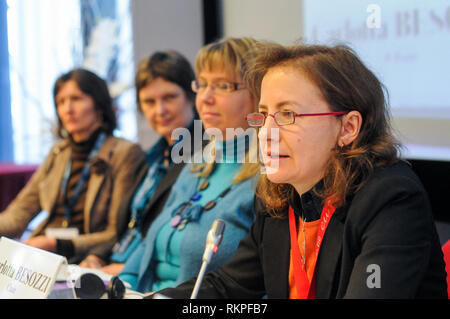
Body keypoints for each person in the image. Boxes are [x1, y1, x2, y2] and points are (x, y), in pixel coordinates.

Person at [153, 43, 448, 298]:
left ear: (348, 128)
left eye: (287, 115)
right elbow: (229, 286)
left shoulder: (391, 200)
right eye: (265, 114)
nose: (266, 132)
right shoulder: (279, 199)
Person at [118, 37, 261, 293]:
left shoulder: (269, 181)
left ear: (257, 95)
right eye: (203, 84)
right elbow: (149, 240)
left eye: (222, 86)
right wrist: (121, 286)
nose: (205, 97)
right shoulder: (196, 165)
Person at [0, 69, 145, 263]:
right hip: (44, 255)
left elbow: (114, 233)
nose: (67, 109)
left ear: (98, 104)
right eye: (61, 102)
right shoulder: (58, 153)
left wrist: (57, 244)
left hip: (86, 258)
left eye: (76, 99)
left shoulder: (125, 153)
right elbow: (19, 214)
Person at [79, 50, 198, 275]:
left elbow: (179, 242)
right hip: (115, 264)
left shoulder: (204, 155)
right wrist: (97, 256)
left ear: (191, 96)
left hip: (145, 275)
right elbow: (130, 226)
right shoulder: (152, 157)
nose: (159, 110)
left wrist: (128, 269)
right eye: (149, 102)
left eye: (169, 97)